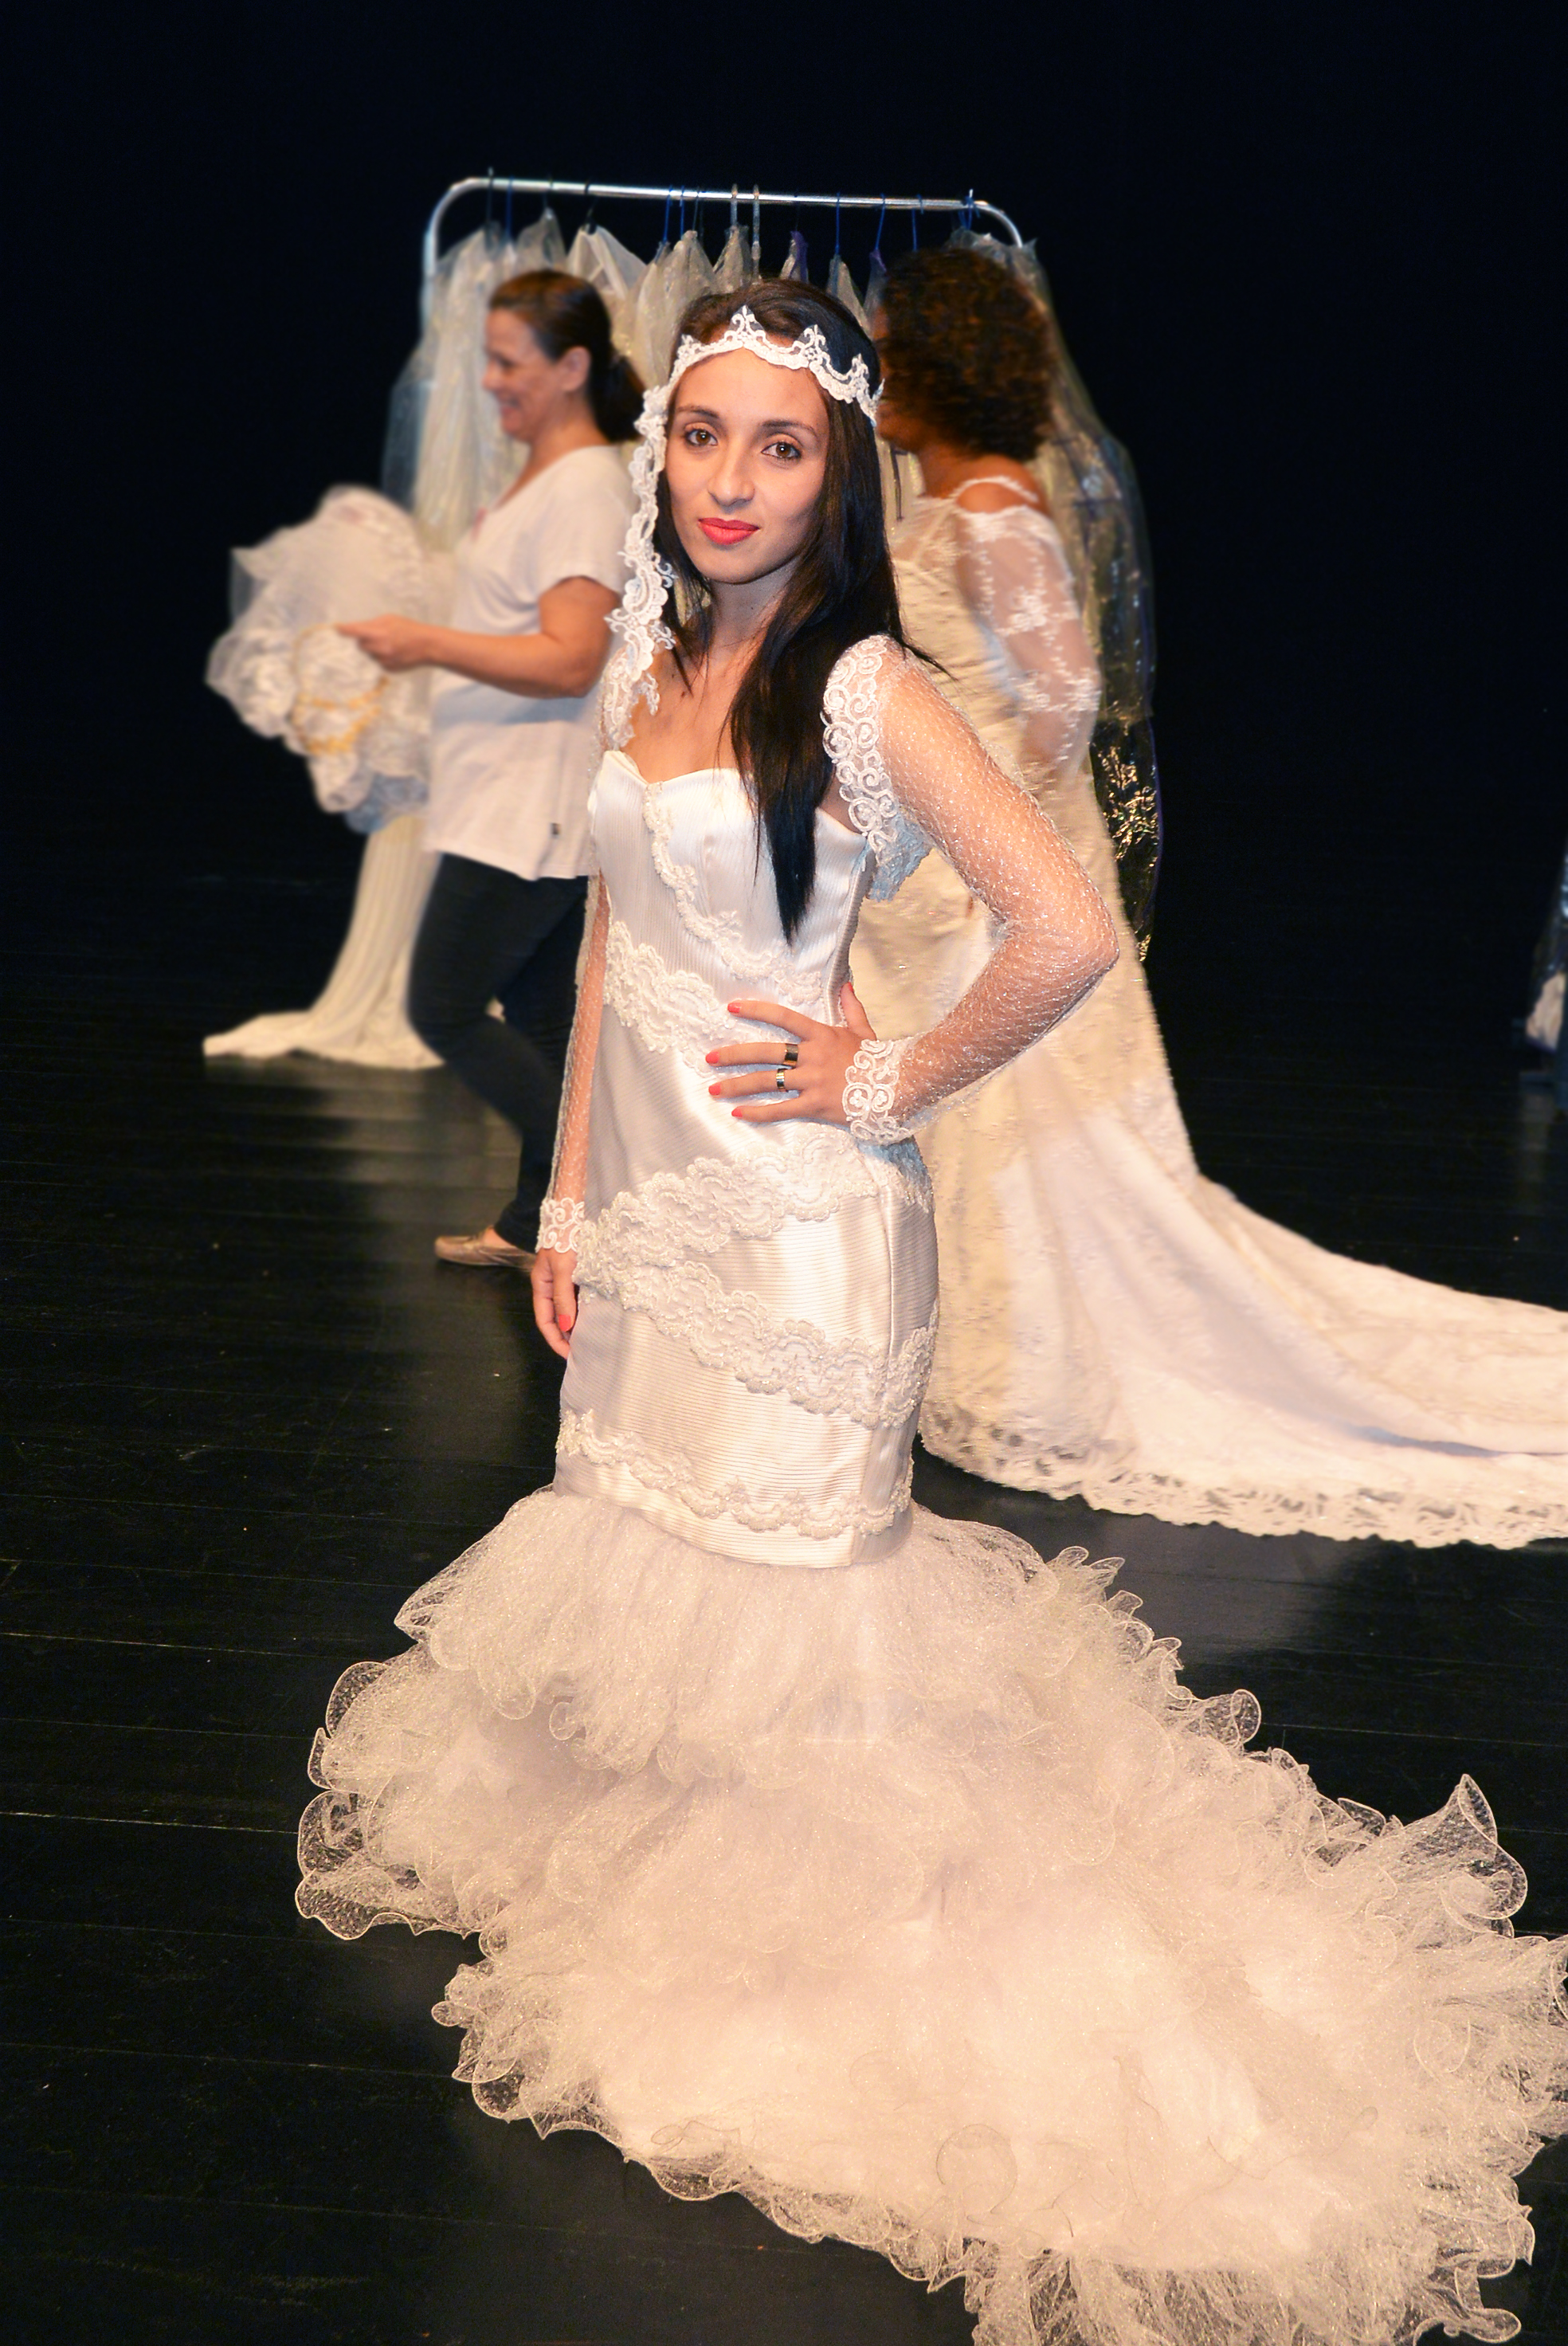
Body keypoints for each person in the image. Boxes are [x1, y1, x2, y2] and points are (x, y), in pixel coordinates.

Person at [298, 284, 1566, 2346]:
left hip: (802, 1233)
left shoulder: (869, 688)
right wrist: (573, 1189)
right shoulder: (652, 642)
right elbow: (613, 922)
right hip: (654, 1221)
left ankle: (801, 1952)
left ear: (840, 475)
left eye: (782, 446)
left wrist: (888, 1073)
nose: (730, 481)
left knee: (799, 1612)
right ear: (661, 440)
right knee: (650, 1550)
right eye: (703, 434)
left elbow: (1061, 925)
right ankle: (657, 1864)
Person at [855, 246, 1568, 1547]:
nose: (875, 370)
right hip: (956, 852)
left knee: (1035, 1122)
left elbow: (1063, 698)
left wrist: (990, 849)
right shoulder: (946, 494)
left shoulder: (992, 508)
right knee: (979, 1113)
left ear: (937, 365)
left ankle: (1037, 1356)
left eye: (891, 349)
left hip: (999, 867)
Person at [342, 270, 639, 1266]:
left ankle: (592, 1194)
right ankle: (537, 1225)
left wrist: (424, 641)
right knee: (547, 1021)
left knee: (443, 1006)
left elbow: (571, 656)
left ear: (572, 367)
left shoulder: (585, 487)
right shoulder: (550, 480)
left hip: (529, 809)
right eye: (491, 359)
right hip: (509, 799)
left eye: (509, 362)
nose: (490, 380)